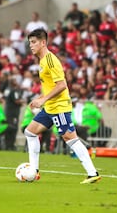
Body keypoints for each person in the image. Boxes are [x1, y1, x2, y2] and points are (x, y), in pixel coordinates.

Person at [25, 28, 101, 184]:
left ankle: (93, 173)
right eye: (29, 43)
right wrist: (39, 98)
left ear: (43, 42)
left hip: (59, 106)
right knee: (30, 132)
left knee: (69, 137)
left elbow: (62, 85)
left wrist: (43, 100)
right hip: (50, 107)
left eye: (33, 42)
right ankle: (34, 170)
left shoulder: (50, 60)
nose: (31, 46)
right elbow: (50, 86)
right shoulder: (42, 61)